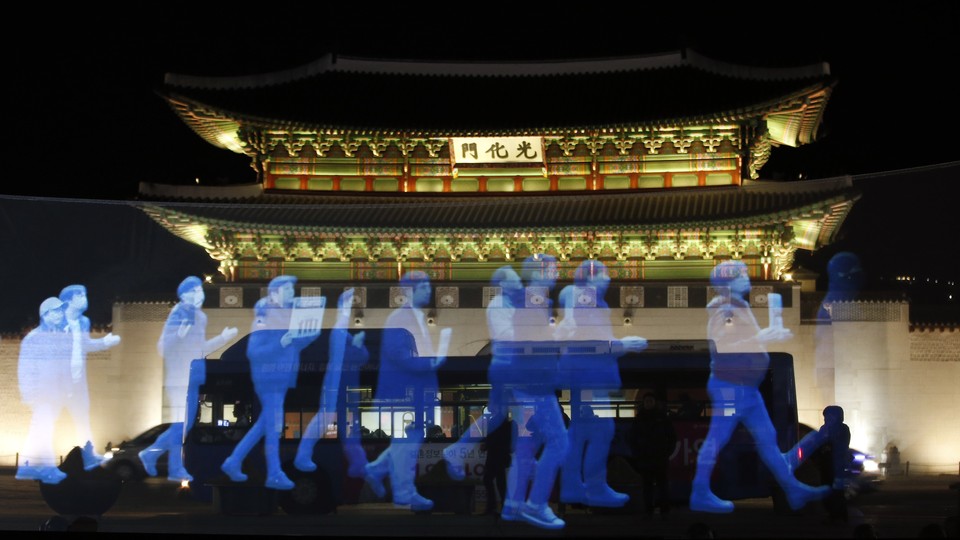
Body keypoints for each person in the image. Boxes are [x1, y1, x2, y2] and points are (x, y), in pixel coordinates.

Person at [689, 260, 828, 514]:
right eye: (741, 275)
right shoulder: (725, 309)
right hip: (730, 386)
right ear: (727, 284)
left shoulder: (739, 306)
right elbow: (724, 345)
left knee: (767, 441)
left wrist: (768, 336)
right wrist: (762, 337)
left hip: (747, 388)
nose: (747, 278)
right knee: (716, 440)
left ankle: (793, 490)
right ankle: (699, 492)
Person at [555, 259, 648, 508]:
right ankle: (594, 487)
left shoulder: (593, 304)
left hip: (587, 377)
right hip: (587, 377)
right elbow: (586, 344)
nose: (607, 280)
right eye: (603, 276)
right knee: (602, 431)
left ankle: (574, 486)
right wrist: (623, 346)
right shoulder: (581, 301)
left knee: (580, 433)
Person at [221, 275, 320, 490]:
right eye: (288, 289)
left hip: (282, 375)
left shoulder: (286, 314)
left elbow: (294, 346)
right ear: (275, 293)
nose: (292, 293)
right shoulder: (264, 316)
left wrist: (309, 334)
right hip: (268, 376)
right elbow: (254, 352)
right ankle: (274, 473)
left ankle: (233, 461)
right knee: (274, 425)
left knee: (265, 424)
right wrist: (282, 342)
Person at [363, 271, 451, 512]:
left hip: (415, 393)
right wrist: (429, 363)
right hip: (403, 393)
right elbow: (399, 354)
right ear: (411, 290)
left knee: (407, 442)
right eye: (424, 286)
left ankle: (376, 470)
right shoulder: (399, 318)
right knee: (407, 443)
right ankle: (404, 493)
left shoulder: (416, 318)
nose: (429, 291)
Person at [139, 276, 237, 482]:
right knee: (183, 425)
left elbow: (199, 349)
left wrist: (223, 339)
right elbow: (163, 347)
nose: (199, 294)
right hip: (179, 377)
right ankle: (171, 465)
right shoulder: (178, 313)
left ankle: (152, 455)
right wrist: (179, 334)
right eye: (194, 291)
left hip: (194, 375)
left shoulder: (200, 317)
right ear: (184, 295)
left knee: (184, 424)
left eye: (200, 290)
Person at [294, 288, 370, 478]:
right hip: (336, 381)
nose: (350, 308)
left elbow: (361, 358)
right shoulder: (339, 332)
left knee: (349, 426)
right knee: (326, 418)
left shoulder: (345, 334)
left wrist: (358, 347)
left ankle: (358, 463)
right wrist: (359, 346)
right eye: (348, 303)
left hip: (347, 383)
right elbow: (347, 357)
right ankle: (303, 454)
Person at [59, 284, 121, 470]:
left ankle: (87, 456)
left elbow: (86, 345)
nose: (84, 298)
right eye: (80, 295)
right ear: (68, 300)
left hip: (79, 381)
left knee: (82, 417)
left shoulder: (83, 322)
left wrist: (104, 342)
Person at [16, 297, 70, 484]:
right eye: (56, 311)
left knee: (39, 430)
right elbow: (25, 370)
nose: (60, 314)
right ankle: (49, 469)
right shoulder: (34, 339)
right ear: (45, 315)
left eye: (61, 311)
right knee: (44, 429)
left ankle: (25, 467)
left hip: (52, 395)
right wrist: (31, 395)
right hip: (42, 395)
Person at [786, 405, 852, 522]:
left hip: (837, 465)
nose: (827, 418)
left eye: (830, 416)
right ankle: (834, 514)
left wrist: (828, 445)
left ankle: (839, 515)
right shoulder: (824, 428)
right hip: (826, 464)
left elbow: (840, 445)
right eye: (826, 416)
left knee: (837, 492)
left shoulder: (842, 429)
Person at [631, 392, 676, 518]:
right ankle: (649, 509)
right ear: (644, 403)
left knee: (662, 485)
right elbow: (632, 439)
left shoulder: (663, 418)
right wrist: (638, 454)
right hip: (645, 458)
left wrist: (667, 452)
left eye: (651, 401)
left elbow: (672, 437)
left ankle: (664, 509)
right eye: (647, 401)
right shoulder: (639, 419)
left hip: (659, 457)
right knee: (648, 485)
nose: (649, 403)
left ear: (654, 403)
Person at [481, 402, 515, 515]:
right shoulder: (508, 423)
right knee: (501, 481)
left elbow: (493, 440)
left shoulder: (495, 422)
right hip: (502, 456)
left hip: (494, 456)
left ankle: (492, 506)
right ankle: (505, 506)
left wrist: (486, 446)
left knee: (488, 479)